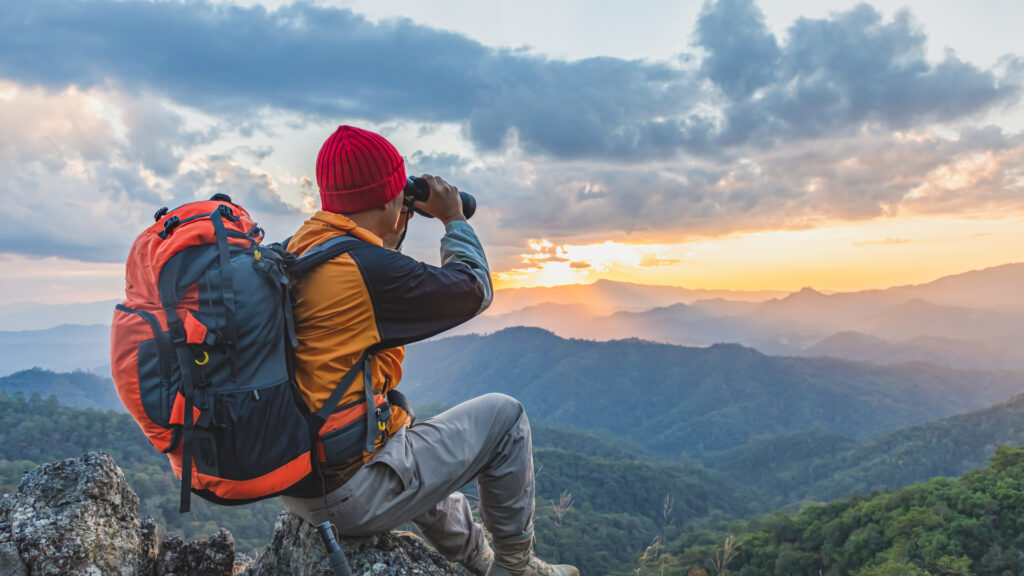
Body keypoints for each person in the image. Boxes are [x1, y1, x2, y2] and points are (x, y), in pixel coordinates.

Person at [280, 125, 579, 576]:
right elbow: (474, 291)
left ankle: (478, 556)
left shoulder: (300, 251)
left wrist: (390, 227)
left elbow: (378, 270)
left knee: (403, 428)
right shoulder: (365, 270)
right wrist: (453, 218)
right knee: (505, 417)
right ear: (390, 197)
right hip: (349, 497)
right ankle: (516, 569)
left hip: (299, 486)